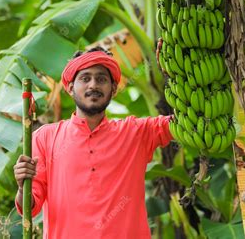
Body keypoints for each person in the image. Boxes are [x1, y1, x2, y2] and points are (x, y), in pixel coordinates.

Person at [14, 47, 173, 239]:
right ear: (70, 88)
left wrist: (175, 67)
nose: (93, 85)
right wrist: (23, 187)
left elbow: (184, 121)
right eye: (85, 78)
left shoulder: (136, 132)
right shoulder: (44, 138)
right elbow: (29, 208)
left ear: (113, 89)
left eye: (101, 79)